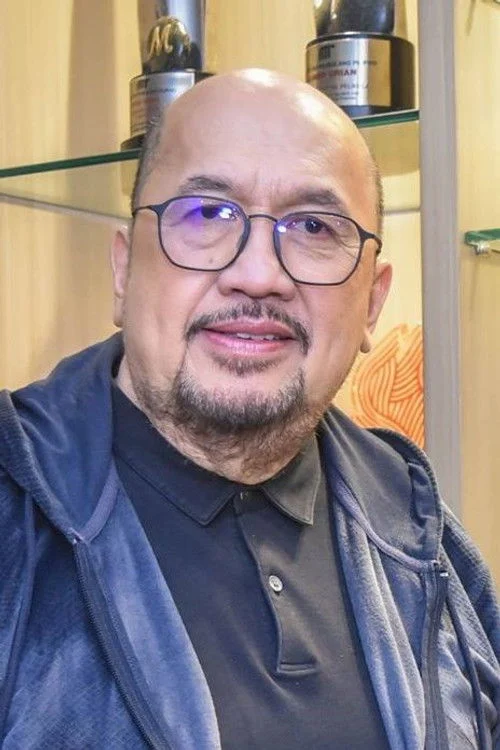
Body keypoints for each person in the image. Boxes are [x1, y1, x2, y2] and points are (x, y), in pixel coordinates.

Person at [0, 69, 498, 750]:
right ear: (123, 270)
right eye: (207, 214)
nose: (259, 275)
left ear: (372, 302)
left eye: (314, 226)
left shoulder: (418, 526)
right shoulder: (16, 519)